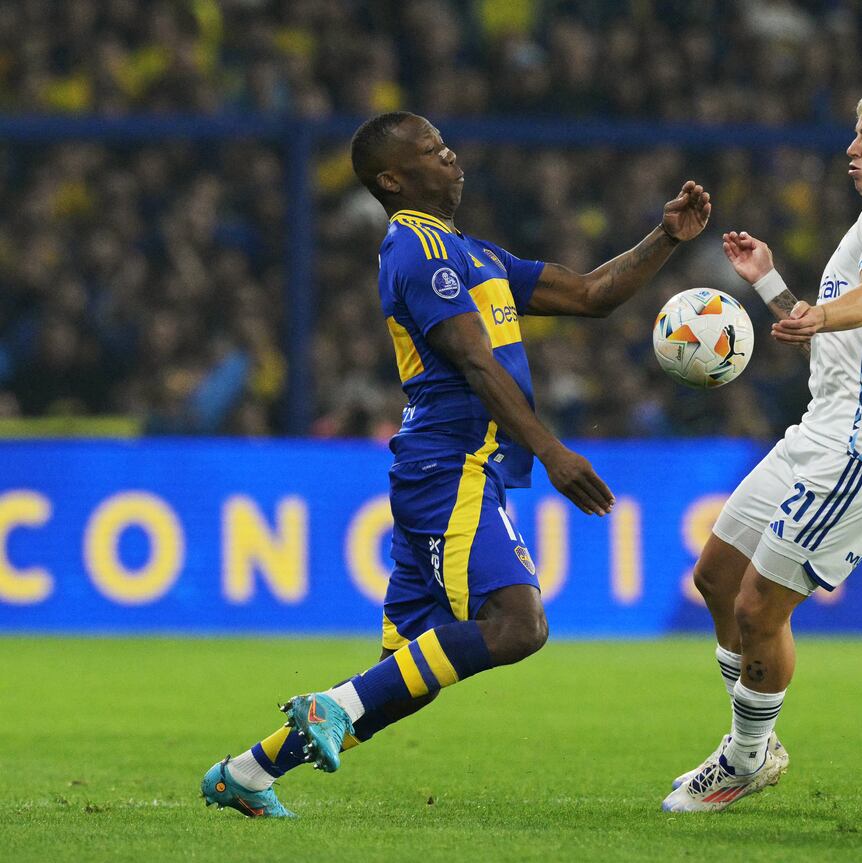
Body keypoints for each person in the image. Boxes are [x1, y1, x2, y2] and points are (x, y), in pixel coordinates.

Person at [202, 111, 711, 818]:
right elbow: (473, 360)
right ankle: (328, 706)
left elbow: (591, 294)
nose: (452, 159)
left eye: (446, 147)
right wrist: (551, 450)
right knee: (518, 624)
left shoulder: (471, 252)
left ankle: (249, 770)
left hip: (444, 469)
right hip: (452, 465)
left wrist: (665, 237)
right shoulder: (415, 252)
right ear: (393, 178)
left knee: (401, 677)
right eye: (434, 152)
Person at [663, 83, 862, 812]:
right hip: (820, 429)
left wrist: (821, 311)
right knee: (717, 577)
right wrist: (769, 285)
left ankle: (745, 756)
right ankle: (751, 747)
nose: (852, 148)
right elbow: (832, 332)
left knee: (761, 605)